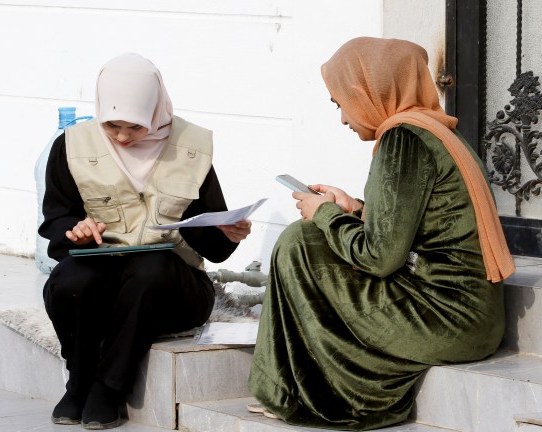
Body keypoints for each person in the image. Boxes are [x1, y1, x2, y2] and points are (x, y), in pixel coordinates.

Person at [247, 37, 515, 430]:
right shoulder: (435, 131)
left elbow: (379, 257)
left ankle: (299, 391)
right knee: (309, 238)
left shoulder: (403, 139)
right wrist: (353, 208)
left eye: (341, 104)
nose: (342, 119)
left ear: (368, 92)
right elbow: (415, 225)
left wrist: (323, 215)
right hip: (472, 318)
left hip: (447, 319)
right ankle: (292, 388)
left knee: (299, 243)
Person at [38, 53, 251, 429]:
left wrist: (227, 233)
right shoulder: (72, 145)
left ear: (155, 110)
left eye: (134, 126)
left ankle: (108, 387)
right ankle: (79, 379)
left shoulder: (192, 147)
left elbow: (211, 245)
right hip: (103, 277)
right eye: (112, 125)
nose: (122, 136)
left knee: (151, 267)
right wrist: (78, 230)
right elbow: (57, 219)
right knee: (72, 280)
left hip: (172, 288)